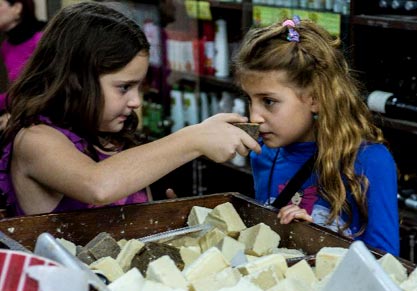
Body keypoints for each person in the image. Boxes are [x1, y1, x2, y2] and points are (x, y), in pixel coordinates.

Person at [0, 2, 260, 216]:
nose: (136, 101)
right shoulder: (34, 140)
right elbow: (98, 185)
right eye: (124, 88)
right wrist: (194, 138)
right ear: (75, 81)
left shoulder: (109, 138)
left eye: (138, 88)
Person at [234, 17, 400, 255]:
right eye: (250, 100)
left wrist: (317, 239)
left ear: (316, 98)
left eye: (269, 101)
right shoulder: (264, 154)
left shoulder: (370, 161)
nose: (255, 117)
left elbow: (387, 262)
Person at [0, 0, 44, 126]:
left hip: (42, 116)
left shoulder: (41, 39)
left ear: (17, 8)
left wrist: (15, 115)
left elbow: (45, 89)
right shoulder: (6, 47)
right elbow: (17, 92)